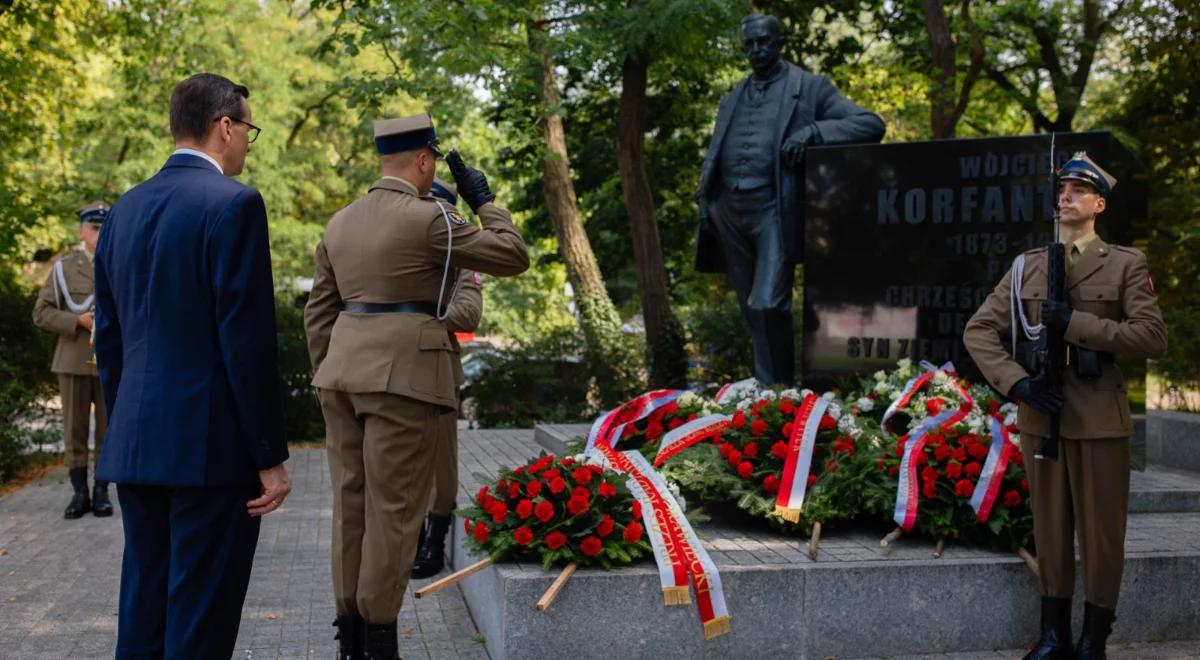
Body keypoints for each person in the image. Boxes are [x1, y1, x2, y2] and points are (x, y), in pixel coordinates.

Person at [304, 114, 528, 660]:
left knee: (350, 507)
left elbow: (319, 314)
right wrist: (486, 201)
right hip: (404, 381)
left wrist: (329, 372)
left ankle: (350, 637)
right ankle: (379, 641)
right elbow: (512, 255)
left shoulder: (341, 222)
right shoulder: (432, 219)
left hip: (341, 379)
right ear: (425, 160)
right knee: (396, 512)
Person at [93, 73, 292, 659]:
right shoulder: (235, 204)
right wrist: (269, 457)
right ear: (225, 126)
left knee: (144, 610)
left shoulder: (124, 210)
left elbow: (110, 342)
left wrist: (121, 426)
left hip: (136, 447)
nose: (248, 144)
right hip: (209, 453)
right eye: (249, 130)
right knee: (199, 622)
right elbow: (246, 343)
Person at [963, 152, 1167, 660]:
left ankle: (1094, 640)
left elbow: (1151, 337)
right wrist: (1018, 385)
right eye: (1062, 189)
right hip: (1042, 414)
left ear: (1098, 203)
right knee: (1050, 531)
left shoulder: (1124, 263)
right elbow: (979, 330)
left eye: (1078, 190)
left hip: (1098, 419)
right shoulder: (1027, 266)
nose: (1066, 196)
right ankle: (1053, 635)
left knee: (1100, 536)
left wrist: (1073, 323)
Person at [695, 12, 885, 386]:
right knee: (753, 314)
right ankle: (771, 394)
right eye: (749, 44)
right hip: (729, 211)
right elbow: (716, 152)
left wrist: (814, 131)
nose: (757, 49)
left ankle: (777, 395)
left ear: (779, 42)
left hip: (774, 211)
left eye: (764, 41)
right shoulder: (732, 97)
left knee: (767, 303)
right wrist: (707, 200)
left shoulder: (810, 88)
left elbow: (870, 123)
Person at [411, 180, 483, 580]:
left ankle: (435, 536)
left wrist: (414, 314)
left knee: (439, 460)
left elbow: (469, 312)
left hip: (438, 365)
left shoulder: (460, 256)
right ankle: (412, 532)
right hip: (396, 366)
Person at [32, 202, 111, 519]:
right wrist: (76, 321)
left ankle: (102, 492)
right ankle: (80, 493)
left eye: (105, 228)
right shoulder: (64, 268)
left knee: (109, 431)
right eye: (94, 227)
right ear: (81, 231)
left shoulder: (120, 264)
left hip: (109, 361)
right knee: (75, 431)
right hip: (73, 359)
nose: (99, 233)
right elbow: (41, 313)